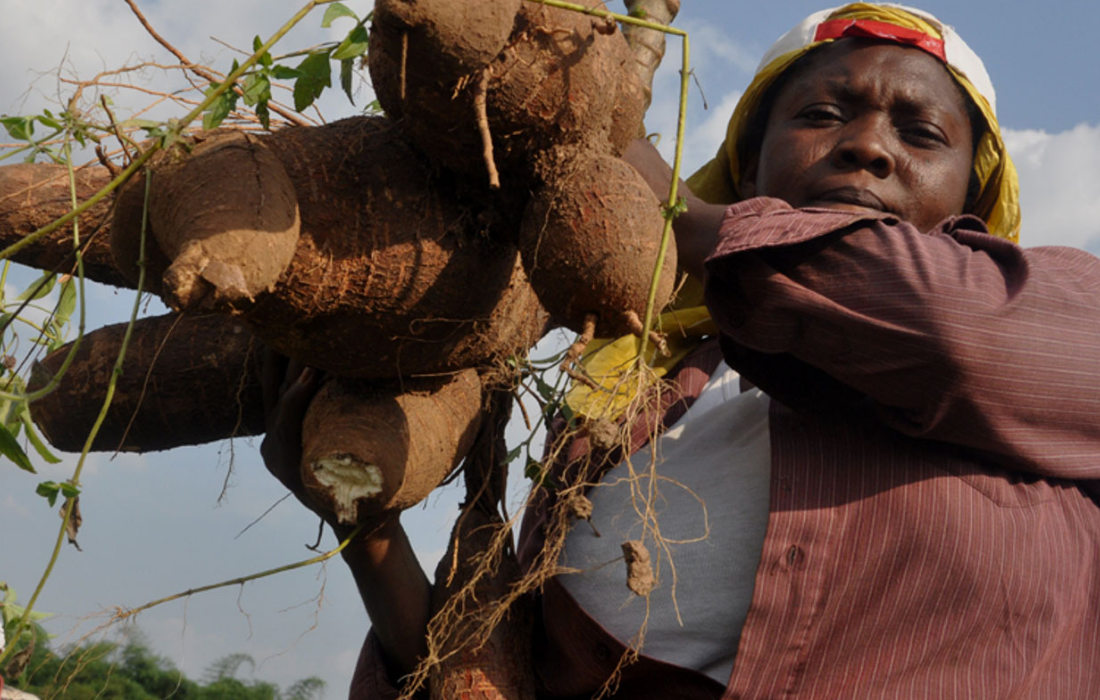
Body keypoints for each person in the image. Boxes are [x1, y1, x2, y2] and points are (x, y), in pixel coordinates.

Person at [262, 3, 1100, 698]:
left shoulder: (1058, 311)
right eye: (822, 114)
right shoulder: (627, 392)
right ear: (748, 164)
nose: (869, 145)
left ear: (977, 195)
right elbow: (487, 677)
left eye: (921, 134)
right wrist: (367, 526)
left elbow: (952, 329)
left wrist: (651, 190)